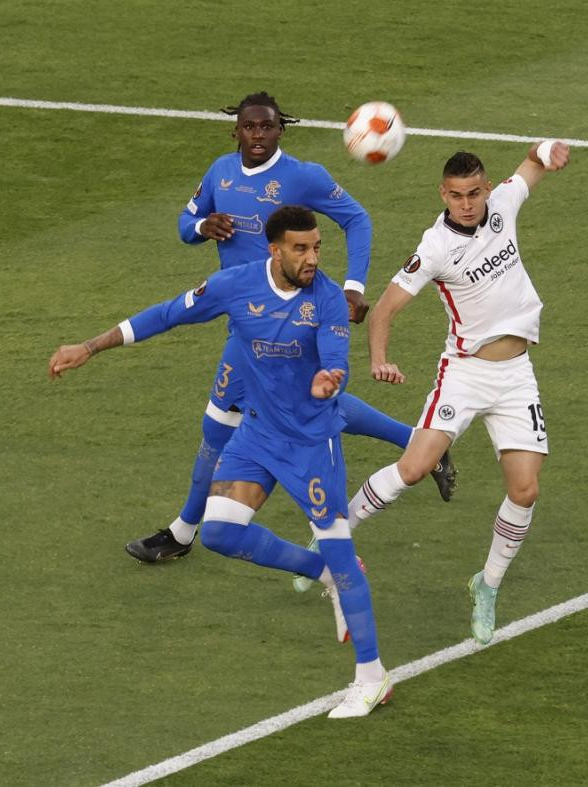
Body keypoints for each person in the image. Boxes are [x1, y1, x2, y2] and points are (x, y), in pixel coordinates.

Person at [48, 206, 393, 718]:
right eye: (301, 249)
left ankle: (373, 677)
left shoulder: (325, 300)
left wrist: (330, 379)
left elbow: (336, 357)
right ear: (274, 250)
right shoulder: (236, 285)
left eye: (317, 247)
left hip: (309, 444)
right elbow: (166, 314)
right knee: (221, 533)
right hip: (256, 436)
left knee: (343, 552)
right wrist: (91, 346)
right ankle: (320, 573)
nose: (313, 258)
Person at [128, 91, 455, 565]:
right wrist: (202, 228)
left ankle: (182, 534)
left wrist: (352, 287)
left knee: (218, 428)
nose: (258, 135)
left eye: (267, 127)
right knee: (310, 404)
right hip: (244, 320)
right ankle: (423, 445)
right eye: (249, 127)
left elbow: (356, 219)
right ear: (235, 130)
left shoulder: (301, 176)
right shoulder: (220, 171)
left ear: (281, 129)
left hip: (289, 324)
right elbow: (185, 222)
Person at [344, 141, 571, 645]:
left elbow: (532, 163)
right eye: (456, 196)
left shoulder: (504, 206)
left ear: (486, 188)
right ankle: (333, 536)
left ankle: (486, 585)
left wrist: (549, 149)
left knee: (525, 490)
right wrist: (379, 360)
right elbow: (382, 310)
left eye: (474, 193)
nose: (467, 204)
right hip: (465, 372)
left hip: (515, 375)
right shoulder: (435, 247)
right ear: (442, 195)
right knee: (414, 467)